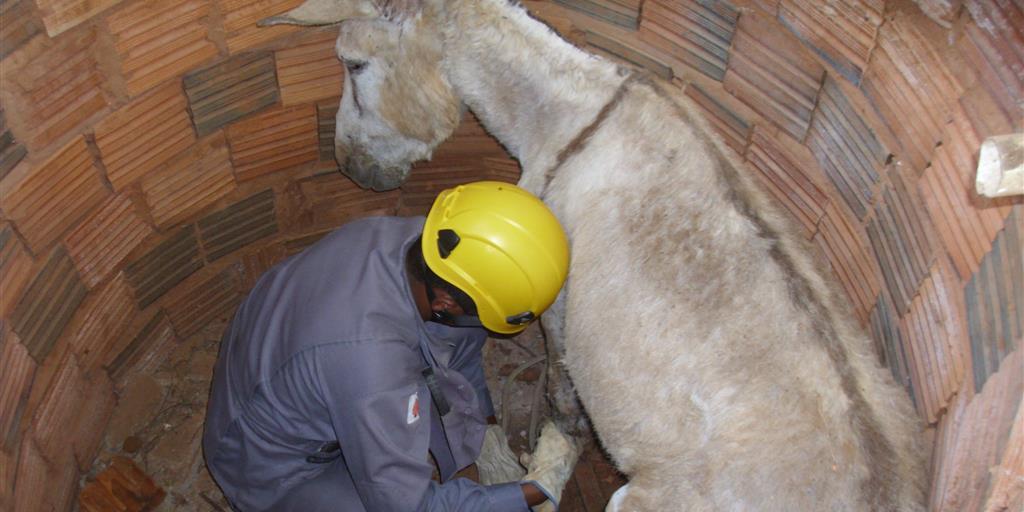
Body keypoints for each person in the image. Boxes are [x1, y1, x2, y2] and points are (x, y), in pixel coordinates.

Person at [202, 181, 579, 511]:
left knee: (461, 331)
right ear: (445, 302)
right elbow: (406, 506)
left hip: (277, 368)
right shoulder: (370, 368)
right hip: (265, 466)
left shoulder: (421, 244)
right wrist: (532, 493)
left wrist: (485, 429)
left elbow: (461, 344)